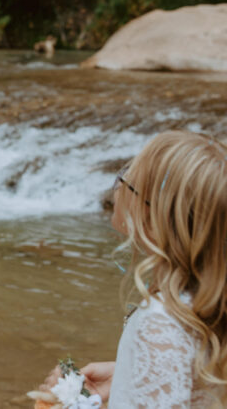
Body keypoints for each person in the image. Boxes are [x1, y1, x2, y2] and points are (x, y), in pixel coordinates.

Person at [38, 131, 227, 407]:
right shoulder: (204, 302)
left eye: (125, 179)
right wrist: (129, 375)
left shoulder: (160, 322)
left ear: (151, 217)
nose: (116, 188)